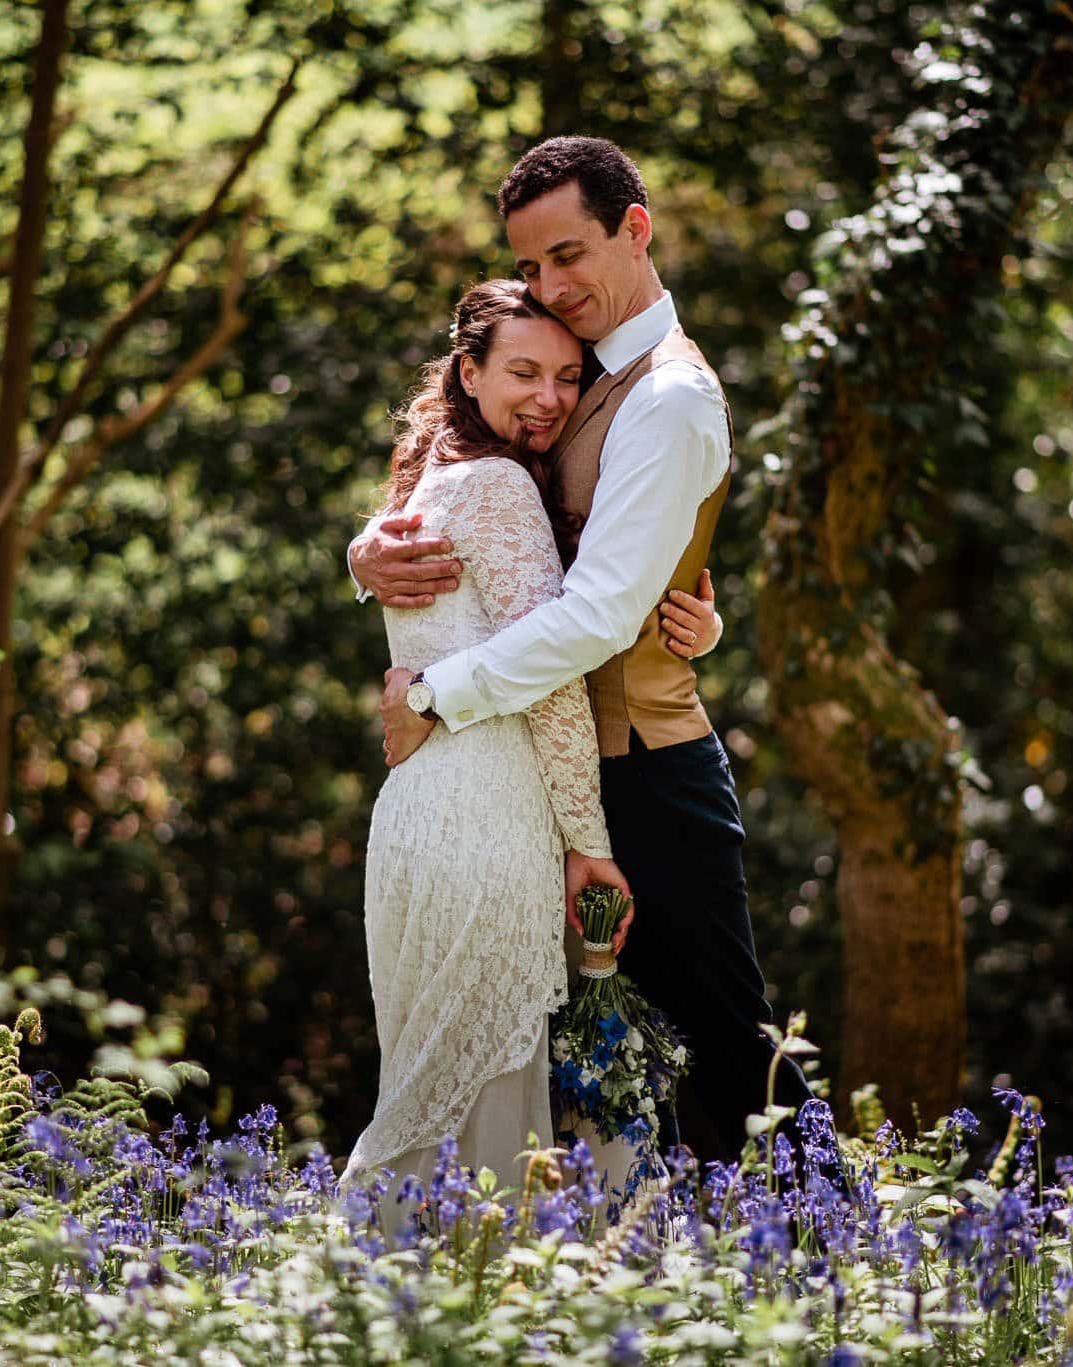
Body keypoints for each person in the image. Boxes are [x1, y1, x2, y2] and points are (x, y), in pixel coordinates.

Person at [351, 136, 821, 1172]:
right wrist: (368, 553)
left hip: (646, 775)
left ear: (634, 229)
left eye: (567, 255)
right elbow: (474, 505)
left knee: (734, 1068)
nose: (549, 287)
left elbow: (603, 611)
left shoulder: (665, 398)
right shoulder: (577, 380)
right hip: (549, 782)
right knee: (604, 1093)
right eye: (527, 269)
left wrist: (436, 689)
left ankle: (849, 1292)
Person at [338, 279, 658, 1202]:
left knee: (424, 1103)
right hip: (487, 822)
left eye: (567, 376)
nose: (550, 397)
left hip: (416, 824)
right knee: (474, 1128)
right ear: (467, 374)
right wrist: (590, 851)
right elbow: (554, 683)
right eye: (523, 371)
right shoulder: (503, 486)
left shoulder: (431, 484)